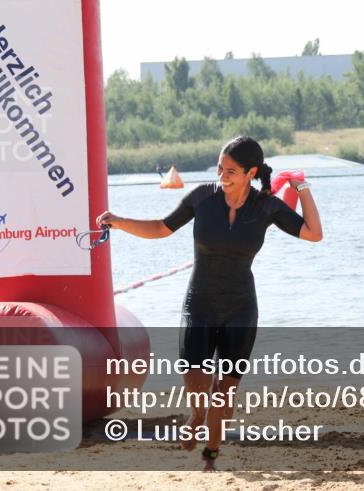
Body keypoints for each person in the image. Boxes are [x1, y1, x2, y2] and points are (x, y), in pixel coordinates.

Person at [96, 136, 322, 471]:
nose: (222, 175)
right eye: (220, 167)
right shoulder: (203, 197)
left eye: (231, 170)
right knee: (199, 388)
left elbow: (313, 233)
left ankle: (210, 456)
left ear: (251, 173)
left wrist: (302, 187)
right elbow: (161, 228)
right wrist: (120, 221)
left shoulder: (266, 207)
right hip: (199, 305)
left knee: (225, 396)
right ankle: (197, 415)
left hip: (241, 309)